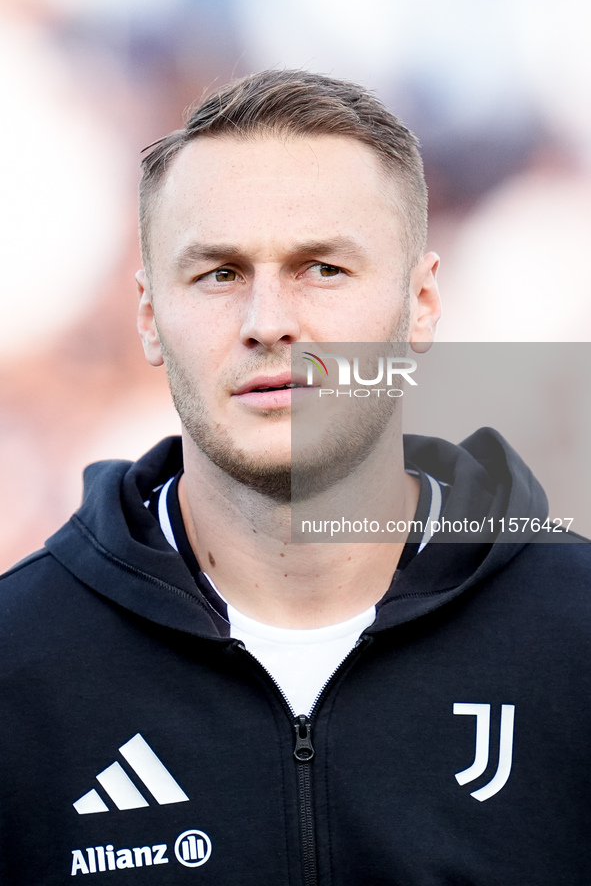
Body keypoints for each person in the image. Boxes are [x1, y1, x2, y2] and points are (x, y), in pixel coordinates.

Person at [1, 70, 589, 886]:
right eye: (219, 273)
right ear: (147, 317)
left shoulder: (574, 638)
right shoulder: (20, 671)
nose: (268, 322)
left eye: (322, 269)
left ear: (420, 304)